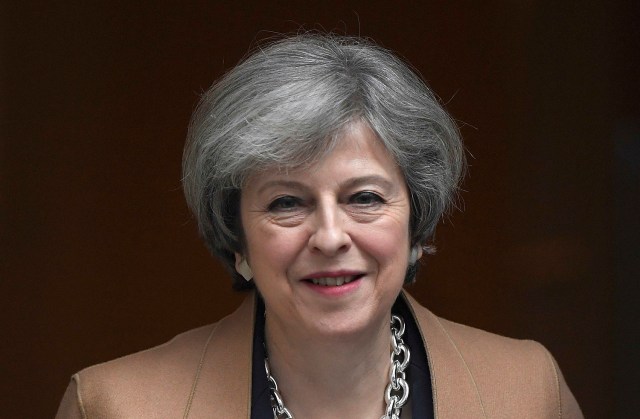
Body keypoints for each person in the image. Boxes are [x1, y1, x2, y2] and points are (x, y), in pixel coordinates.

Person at [56, 33, 583, 418]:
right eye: (287, 203)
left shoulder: (527, 391)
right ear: (237, 239)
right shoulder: (116, 405)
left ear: (416, 225)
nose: (330, 237)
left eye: (365, 198)